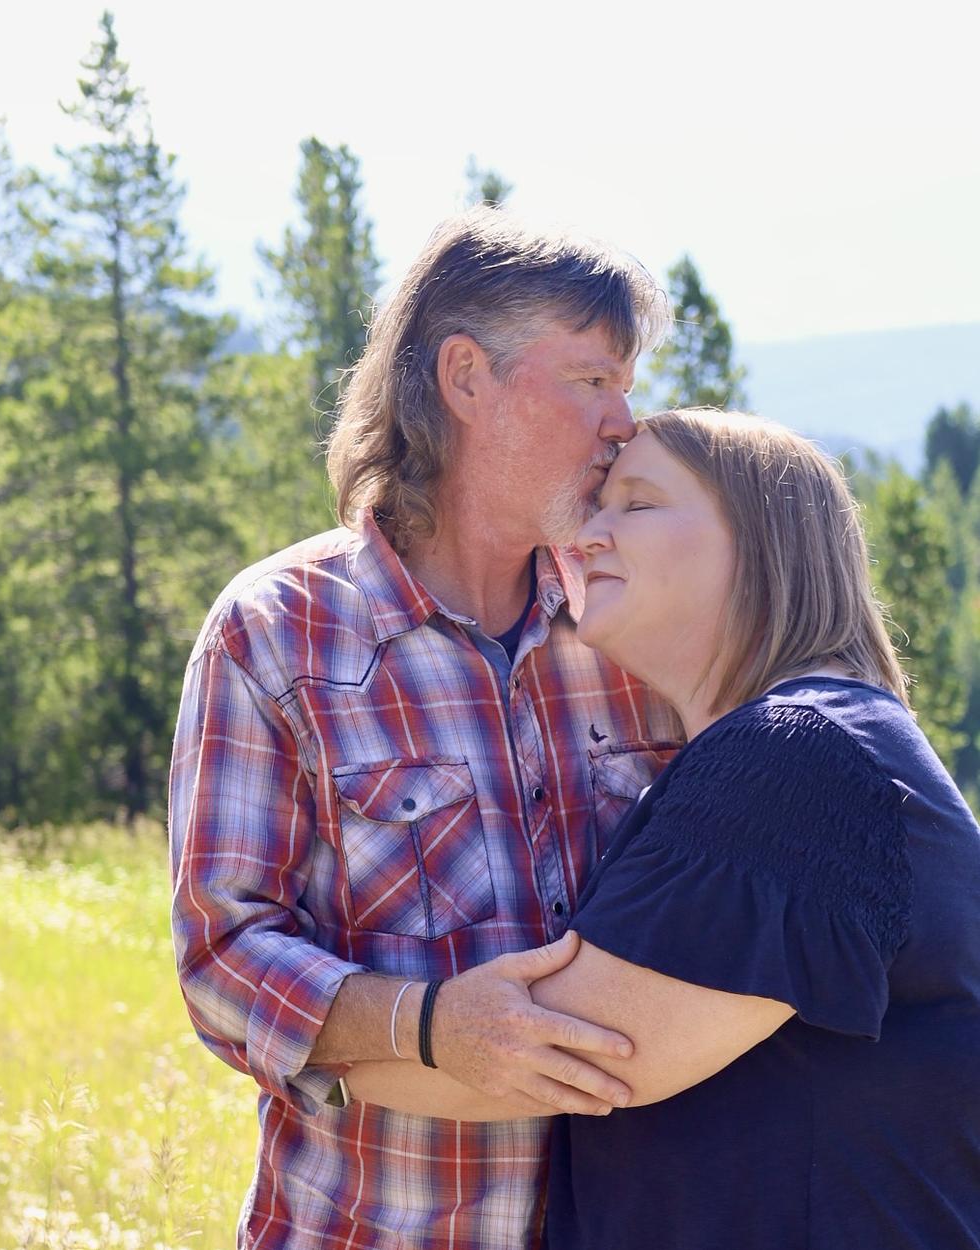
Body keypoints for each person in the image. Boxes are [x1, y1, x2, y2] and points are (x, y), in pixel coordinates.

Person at [168, 209, 683, 1250]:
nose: (624, 422)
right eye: (591, 379)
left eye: (627, 385)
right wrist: (428, 1025)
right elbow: (222, 958)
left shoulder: (636, 630)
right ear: (465, 376)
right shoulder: (276, 633)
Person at [345, 410, 980, 1249]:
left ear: (763, 544)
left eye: (637, 504)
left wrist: (318, 1046)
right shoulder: (818, 742)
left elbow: (564, 1054)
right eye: (597, 508)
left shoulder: (793, 757)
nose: (586, 538)